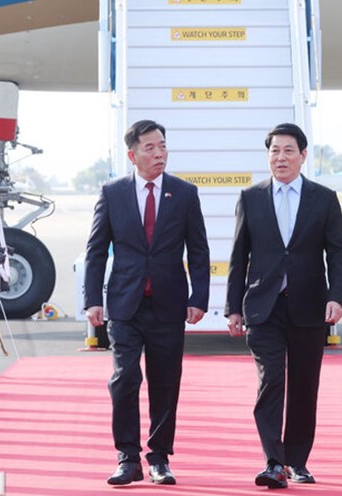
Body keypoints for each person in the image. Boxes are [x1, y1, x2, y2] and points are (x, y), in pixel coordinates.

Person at [84, 119, 210, 486]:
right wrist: (93, 300)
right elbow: (95, 252)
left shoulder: (184, 194)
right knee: (124, 378)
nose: (159, 154)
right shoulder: (112, 193)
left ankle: (159, 458)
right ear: (132, 155)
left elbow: (198, 250)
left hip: (169, 303)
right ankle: (127, 458)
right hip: (125, 304)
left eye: (163, 146)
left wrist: (198, 297)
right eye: (150, 148)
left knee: (165, 381)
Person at [225, 123, 342, 489]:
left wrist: (337, 297)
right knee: (271, 380)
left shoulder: (323, 198)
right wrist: (234, 308)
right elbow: (238, 257)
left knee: (304, 385)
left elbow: (337, 254)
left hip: (309, 306)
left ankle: (298, 461)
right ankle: (273, 461)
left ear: (303, 155)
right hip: (263, 307)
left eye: (288, 150)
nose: (281, 157)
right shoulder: (250, 197)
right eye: (274, 151)